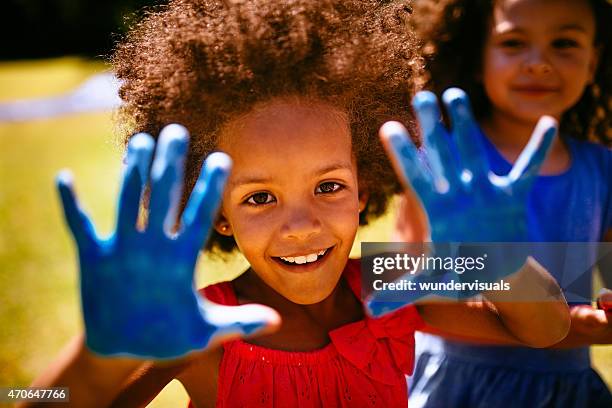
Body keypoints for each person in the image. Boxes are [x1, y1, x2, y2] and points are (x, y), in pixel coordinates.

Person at [21, 1, 571, 407]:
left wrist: (502, 259)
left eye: (328, 186)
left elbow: (546, 328)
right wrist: (95, 359)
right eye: (260, 197)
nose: (302, 225)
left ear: (363, 184)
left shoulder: (393, 281)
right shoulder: (201, 327)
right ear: (218, 212)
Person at [402, 0, 612, 406]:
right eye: (514, 43)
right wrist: (549, 326)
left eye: (564, 43)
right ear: (478, 57)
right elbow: (402, 286)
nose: (538, 63)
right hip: (456, 388)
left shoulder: (602, 169)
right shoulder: (444, 160)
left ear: (593, 62)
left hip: (567, 392)